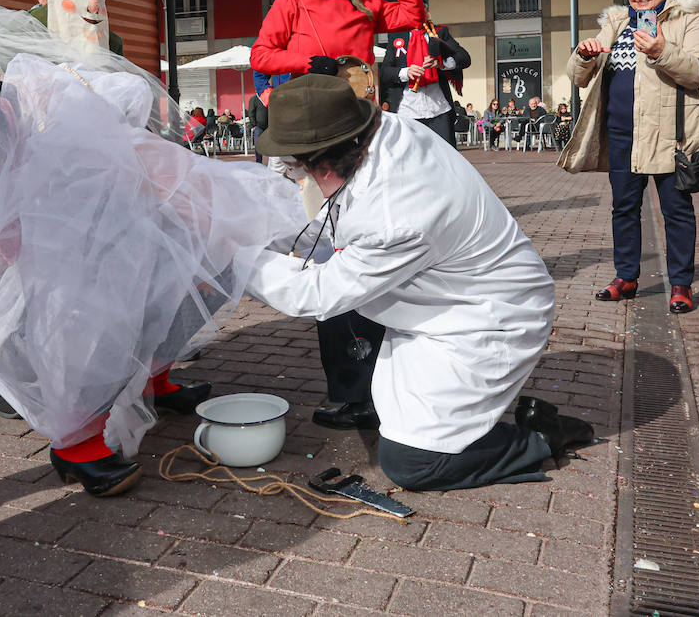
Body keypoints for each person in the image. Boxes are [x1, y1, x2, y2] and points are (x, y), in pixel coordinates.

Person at [0, 0, 238, 498]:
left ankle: (155, 377)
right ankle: (75, 442)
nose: (97, 3)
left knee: (182, 282)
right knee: (85, 325)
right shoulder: (27, 69)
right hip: (66, 222)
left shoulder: (112, 63)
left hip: (131, 206)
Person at [245, 76, 592, 490]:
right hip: (438, 295)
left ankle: (538, 438)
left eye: (310, 167)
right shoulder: (383, 129)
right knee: (349, 313)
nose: (308, 178)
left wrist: (236, 263)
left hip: (485, 316)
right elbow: (328, 227)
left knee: (412, 462)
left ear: (336, 154)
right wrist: (254, 237)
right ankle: (393, 408)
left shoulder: (397, 212)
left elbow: (317, 292)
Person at [251, 0, 425, 431]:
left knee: (373, 237)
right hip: (317, 135)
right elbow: (261, 55)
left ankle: (383, 379)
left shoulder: (364, 2)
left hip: (366, 129)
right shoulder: (294, 0)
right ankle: (353, 389)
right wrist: (311, 60)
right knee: (334, 250)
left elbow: (413, 16)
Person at [558, 0, 699, 314]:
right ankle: (626, 277)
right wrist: (584, 53)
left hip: (669, 133)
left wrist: (662, 51)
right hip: (621, 134)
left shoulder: (687, 20)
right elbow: (577, 76)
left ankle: (680, 284)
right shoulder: (615, 23)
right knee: (623, 208)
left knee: (676, 210)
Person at [379, 23, 472, 146]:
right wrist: (406, 72)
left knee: (445, 156)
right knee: (410, 158)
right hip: (407, 109)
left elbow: (464, 58)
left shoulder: (439, 32)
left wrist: (441, 63)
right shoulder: (397, 35)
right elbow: (385, 72)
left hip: (439, 108)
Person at [247, 84, 272, 163]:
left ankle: (272, 163)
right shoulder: (254, 99)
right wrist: (254, 124)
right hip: (259, 126)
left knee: (273, 145)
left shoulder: (270, 98)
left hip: (270, 126)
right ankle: (259, 161)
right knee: (258, 145)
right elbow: (251, 112)